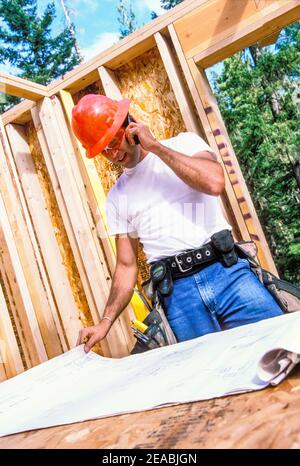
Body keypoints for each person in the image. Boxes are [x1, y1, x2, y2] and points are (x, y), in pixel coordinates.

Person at [72, 94, 283, 353]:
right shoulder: (117, 197)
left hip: (227, 273)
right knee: (207, 380)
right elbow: (126, 267)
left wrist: (156, 147)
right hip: (179, 295)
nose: (114, 154)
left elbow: (213, 183)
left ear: (128, 125)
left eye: (114, 141)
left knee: (282, 347)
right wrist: (105, 323)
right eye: (104, 150)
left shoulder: (185, 144)